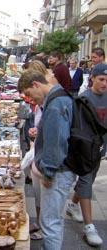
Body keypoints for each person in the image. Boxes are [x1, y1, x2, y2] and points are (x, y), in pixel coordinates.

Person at [18, 69, 76, 250]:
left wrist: (48, 173)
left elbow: (56, 143)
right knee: (52, 221)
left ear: (36, 85)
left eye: (29, 94)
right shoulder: (57, 98)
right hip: (60, 170)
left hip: (58, 172)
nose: (30, 100)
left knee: (50, 224)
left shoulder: (55, 103)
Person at [66, 63, 107, 247]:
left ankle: (73, 205)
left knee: (89, 180)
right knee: (85, 180)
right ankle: (89, 226)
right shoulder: (83, 99)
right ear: (92, 79)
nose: (105, 83)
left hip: (100, 149)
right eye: (101, 79)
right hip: (85, 150)